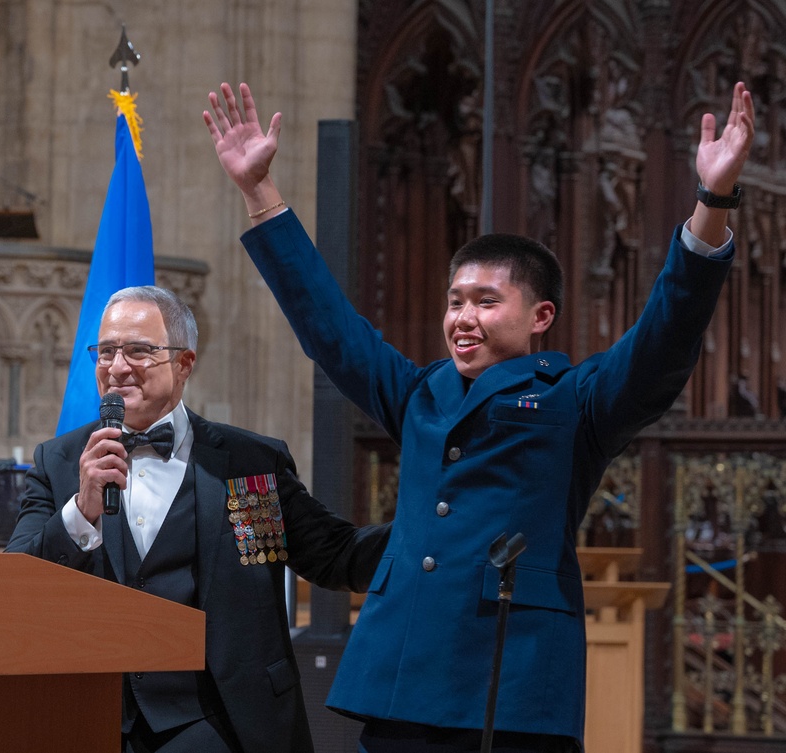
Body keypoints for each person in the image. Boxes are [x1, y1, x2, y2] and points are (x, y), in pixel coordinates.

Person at [203, 81, 754, 752]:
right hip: (403, 677)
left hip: (509, 680)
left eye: (486, 301)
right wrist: (260, 194)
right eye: (455, 300)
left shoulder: (573, 400)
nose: (463, 317)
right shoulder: (421, 393)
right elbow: (331, 331)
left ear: (539, 316)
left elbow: (664, 339)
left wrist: (712, 204)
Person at [5, 285, 389, 753]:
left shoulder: (249, 464)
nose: (118, 367)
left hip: (223, 721)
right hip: (93, 715)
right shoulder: (60, 461)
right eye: (106, 352)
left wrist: (440, 529)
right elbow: (16, 584)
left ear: (184, 363)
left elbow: (336, 556)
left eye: (139, 351)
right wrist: (81, 513)